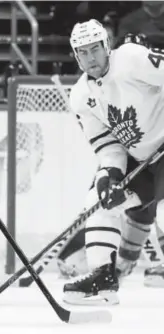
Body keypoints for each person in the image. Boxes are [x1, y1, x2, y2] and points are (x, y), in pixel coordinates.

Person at [62, 18, 164, 305]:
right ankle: (103, 278)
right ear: (75, 55)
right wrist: (111, 173)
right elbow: (108, 145)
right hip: (141, 158)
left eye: (95, 49)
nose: (90, 57)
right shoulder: (81, 95)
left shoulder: (131, 57)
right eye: (82, 52)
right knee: (100, 198)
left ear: (107, 46)